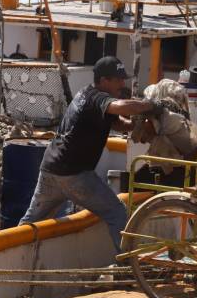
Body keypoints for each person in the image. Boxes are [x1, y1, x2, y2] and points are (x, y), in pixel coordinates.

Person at [18, 56, 159, 252]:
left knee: (31, 223)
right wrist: (152, 105)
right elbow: (121, 107)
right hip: (74, 175)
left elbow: (120, 123)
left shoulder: (85, 94)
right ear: (103, 81)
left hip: (50, 169)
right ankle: (128, 267)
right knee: (116, 211)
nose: (122, 83)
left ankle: (6, 258)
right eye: (118, 79)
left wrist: (138, 126)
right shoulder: (98, 98)